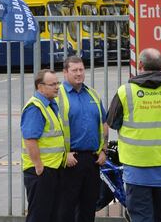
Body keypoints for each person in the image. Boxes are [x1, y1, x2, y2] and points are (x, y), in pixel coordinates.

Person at [107, 48, 161, 222]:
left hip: (136, 169)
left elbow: (113, 122)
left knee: (142, 217)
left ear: (140, 65)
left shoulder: (125, 92)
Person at [56, 55, 108, 222]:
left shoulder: (92, 94)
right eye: (74, 70)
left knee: (88, 207)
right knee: (66, 208)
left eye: (81, 69)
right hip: (70, 160)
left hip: (93, 160)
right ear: (65, 72)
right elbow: (52, 129)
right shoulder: (58, 96)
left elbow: (103, 122)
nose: (79, 74)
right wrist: (64, 154)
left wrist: (103, 150)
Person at [20, 69, 65, 222]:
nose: (57, 87)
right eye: (52, 84)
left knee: (51, 213)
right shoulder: (35, 107)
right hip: (41, 171)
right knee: (39, 215)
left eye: (57, 83)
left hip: (52, 168)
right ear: (40, 87)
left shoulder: (50, 104)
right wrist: (39, 166)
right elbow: (30, 139)